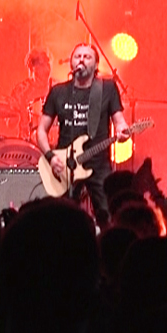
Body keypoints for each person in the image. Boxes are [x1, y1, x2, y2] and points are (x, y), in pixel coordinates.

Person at [38, 43, 132, 227]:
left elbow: (119, 121)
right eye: (77, 56)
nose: (81, 59)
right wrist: (50, 157)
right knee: (62, 218)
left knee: (107, 214)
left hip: (99, 164)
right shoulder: (58, 92)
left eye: (87, 57)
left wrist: (123, 130)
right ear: (71, 63)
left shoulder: (107, 88)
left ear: (96, 65)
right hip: (65, 164)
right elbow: (41, 130)